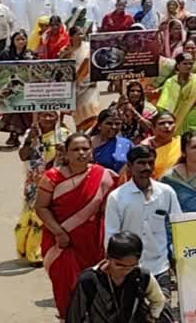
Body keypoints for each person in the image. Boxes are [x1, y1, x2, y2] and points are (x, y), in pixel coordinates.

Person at [35, 133, 118, 321]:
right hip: (61, 242)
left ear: (91, 151)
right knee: (67, 286)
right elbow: (40, 207)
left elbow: (109, 209)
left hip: (92, 241)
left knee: (95, 285)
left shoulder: (103, 176)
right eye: (75, 149)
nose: (81, 153)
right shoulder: (52, 177)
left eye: (85, 149)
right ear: (66, 153)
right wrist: (59, 232)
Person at [104, 145, 182, 314]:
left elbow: (178, 226)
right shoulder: (117, 197)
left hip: (160, 266)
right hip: (128, 270)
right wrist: (115, 267)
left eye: (150, 163)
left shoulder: (166, 192)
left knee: (162, 312)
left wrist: (178, 257)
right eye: (140, 163)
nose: (146, 168)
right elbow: (111, 235)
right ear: (130, 166)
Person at [65, 232, 167, 323]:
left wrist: (152, 318)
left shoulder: (142, 276)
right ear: (108, 257)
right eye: (119, 265)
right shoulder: (89, 280)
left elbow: (159, 300)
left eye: (131, 266)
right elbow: (75, 316)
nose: (125, 270)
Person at [16, 111, 69, 265]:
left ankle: (36, 253)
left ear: (57, 117)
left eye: (51, 115)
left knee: (43, 217)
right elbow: (23, 155)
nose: (47, 118)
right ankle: (25, 248)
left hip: (55, 182)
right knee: (28, 217)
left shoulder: (64, 134)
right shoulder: (30, 133)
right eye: (43, 115)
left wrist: (63, 151)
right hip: (34, 183)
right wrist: (29, 140)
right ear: (37, 117)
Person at [157, 52, 196, 135]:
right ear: (178, 65)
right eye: (185, 63)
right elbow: (164, 105)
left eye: (191, 63)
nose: (188, 66)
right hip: (176, 121)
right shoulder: (170, 82)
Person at [0, 30, 36, 146]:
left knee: (24, 112)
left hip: (26, 89)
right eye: (18, 39)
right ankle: (14, 135)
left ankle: (18, 135)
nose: (20, 42)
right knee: (14, 111)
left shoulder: (30, 54)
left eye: (23, 39)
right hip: (10, 89)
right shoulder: (5, 53)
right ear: (13, 41)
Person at [59, 26, 101, 131]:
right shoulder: (66, 49)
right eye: (78, 34)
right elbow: (61, 66)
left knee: (91, 107)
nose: (80, 36)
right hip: (75, 87)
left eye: (82, 33)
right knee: (79, 113)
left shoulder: (89, 47)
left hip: (89, 84)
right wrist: (65, 54)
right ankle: (81, 134)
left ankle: (92, 132)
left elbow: (91, 61)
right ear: (71, 36)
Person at [90, 108, 133, 174]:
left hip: (122, 182)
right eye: (109, 123)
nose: (114, 127)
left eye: (117, 123)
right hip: (97, 182)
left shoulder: (126, 143)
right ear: (99, 125)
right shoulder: (88, 144)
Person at [140, 111, 182, 179]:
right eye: (162, 123)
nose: (167, 126)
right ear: (153, 127)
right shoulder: (145, 147)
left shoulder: (181, 143)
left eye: (170, 123)